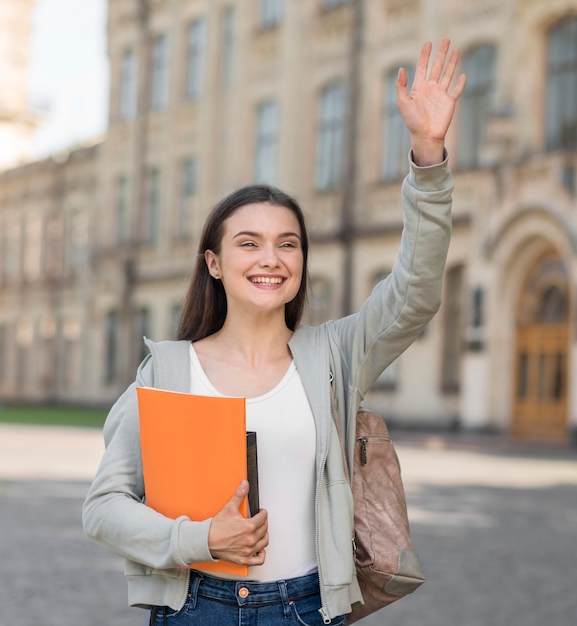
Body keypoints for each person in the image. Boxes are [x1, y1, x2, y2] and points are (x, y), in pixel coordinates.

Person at [82, 39, 466, 626]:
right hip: (196, 607)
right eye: (249, 243)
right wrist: (200, 538)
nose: (272, 258)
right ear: (214, 263)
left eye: (288, 244)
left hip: (307, 608)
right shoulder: (168, 370)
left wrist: (428, 156)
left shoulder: (335, 355)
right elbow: (104, 508)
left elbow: (414, 291)